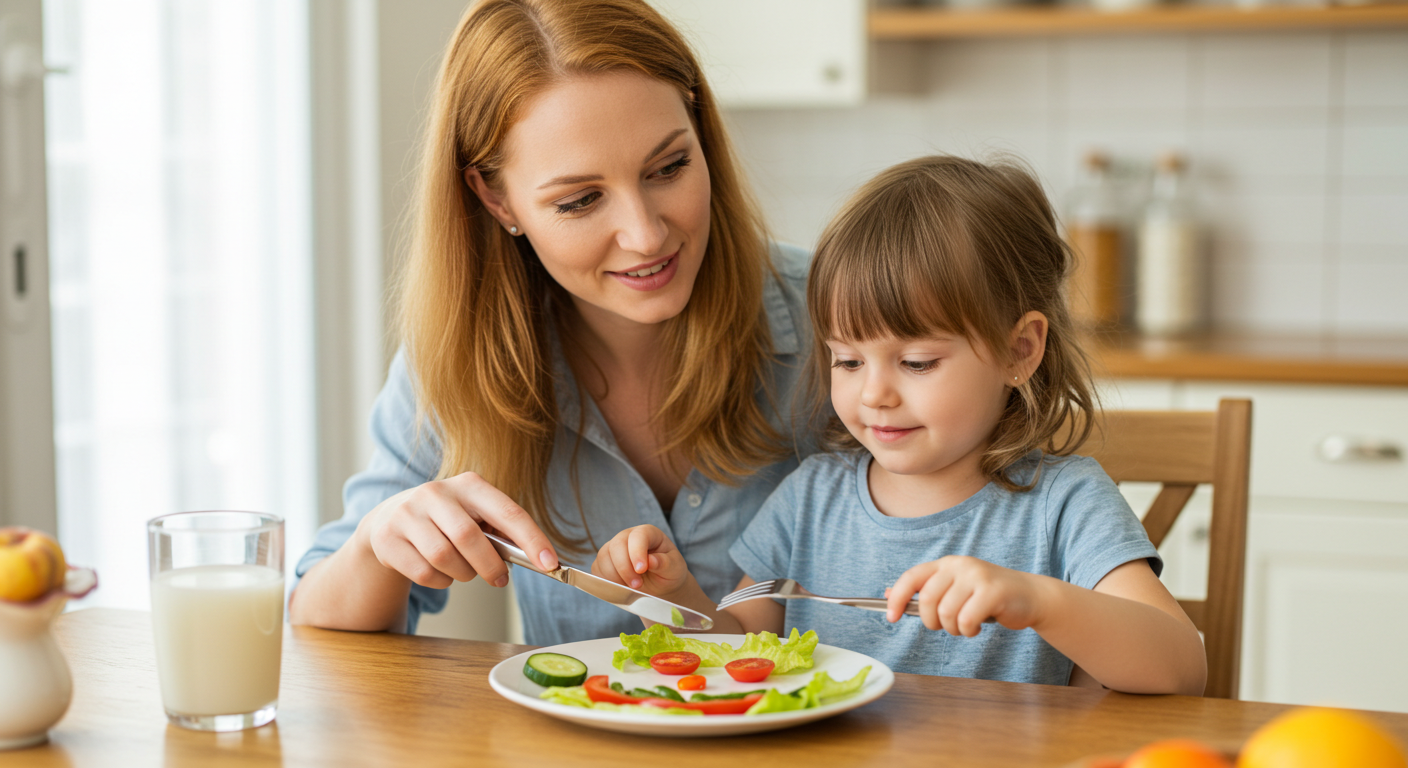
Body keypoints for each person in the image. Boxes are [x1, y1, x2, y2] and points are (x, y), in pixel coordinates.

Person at [288, 0, 814, 645]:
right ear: (495, 197)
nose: (645, 235)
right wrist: (377, 543)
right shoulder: (461, 362)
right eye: (580, 200)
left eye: (670, 167)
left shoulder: (837, 318)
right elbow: (314, 623)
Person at [590, 156, 1208, 694]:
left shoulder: (1064, 504)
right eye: (848, 360)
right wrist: (672, 599)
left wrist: (1039, 602)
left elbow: (1181, 668)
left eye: (916, 362)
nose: (874, 394)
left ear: (1020, 351)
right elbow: (739, 661)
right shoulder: (811, 499)